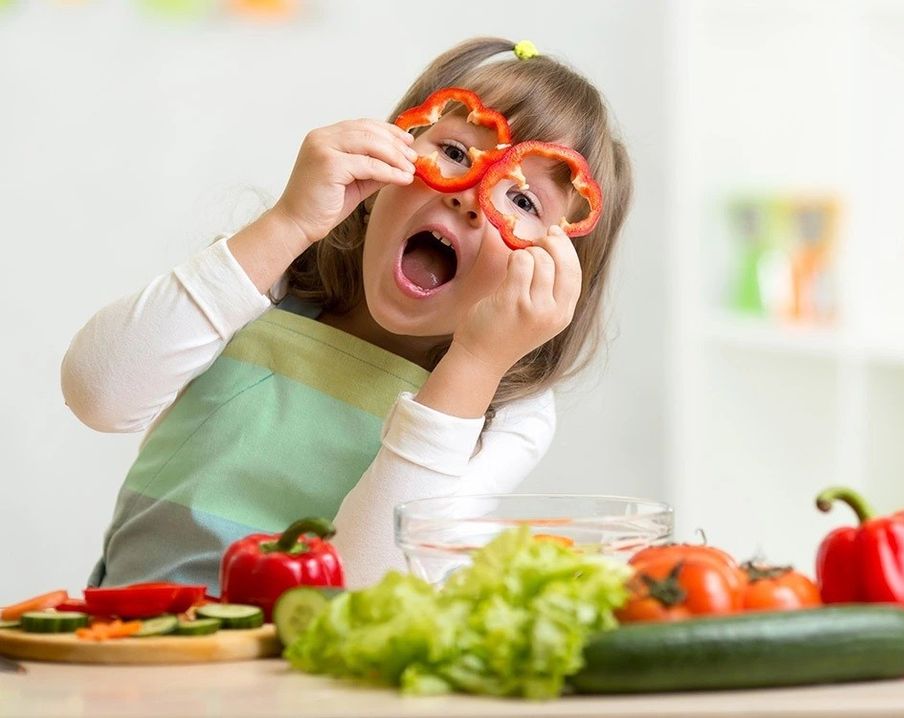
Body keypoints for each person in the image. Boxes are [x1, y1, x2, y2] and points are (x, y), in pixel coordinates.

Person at [61, 37, 634, 592]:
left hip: (303, 684)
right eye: (455, 152)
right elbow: (98, 395)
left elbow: (367, 584)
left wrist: (476, 363)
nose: (469, 196)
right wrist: (286, 222)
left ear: (557, 271)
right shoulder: (269, 279)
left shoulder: (510, 411)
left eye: (523, 200)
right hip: (124, 648)